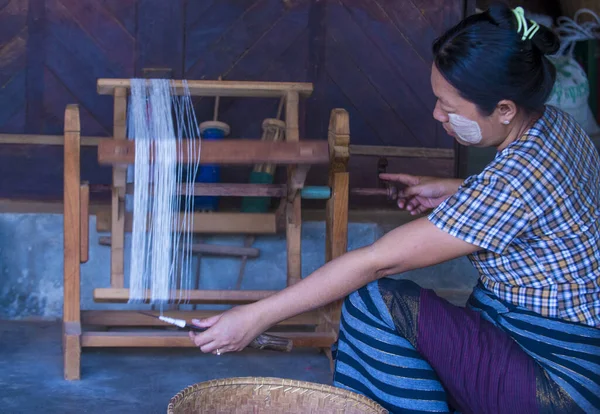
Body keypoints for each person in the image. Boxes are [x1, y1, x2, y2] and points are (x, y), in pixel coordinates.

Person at [189, 3, 600, 413]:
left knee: (372, 301)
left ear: (505, 109)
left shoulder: (511, 184)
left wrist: (256, 317)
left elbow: (376, 262)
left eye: (450, 108)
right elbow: (548, 203)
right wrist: (460, 189)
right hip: (575, 357)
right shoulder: (558, 126)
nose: (437, 114)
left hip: (555, 385)